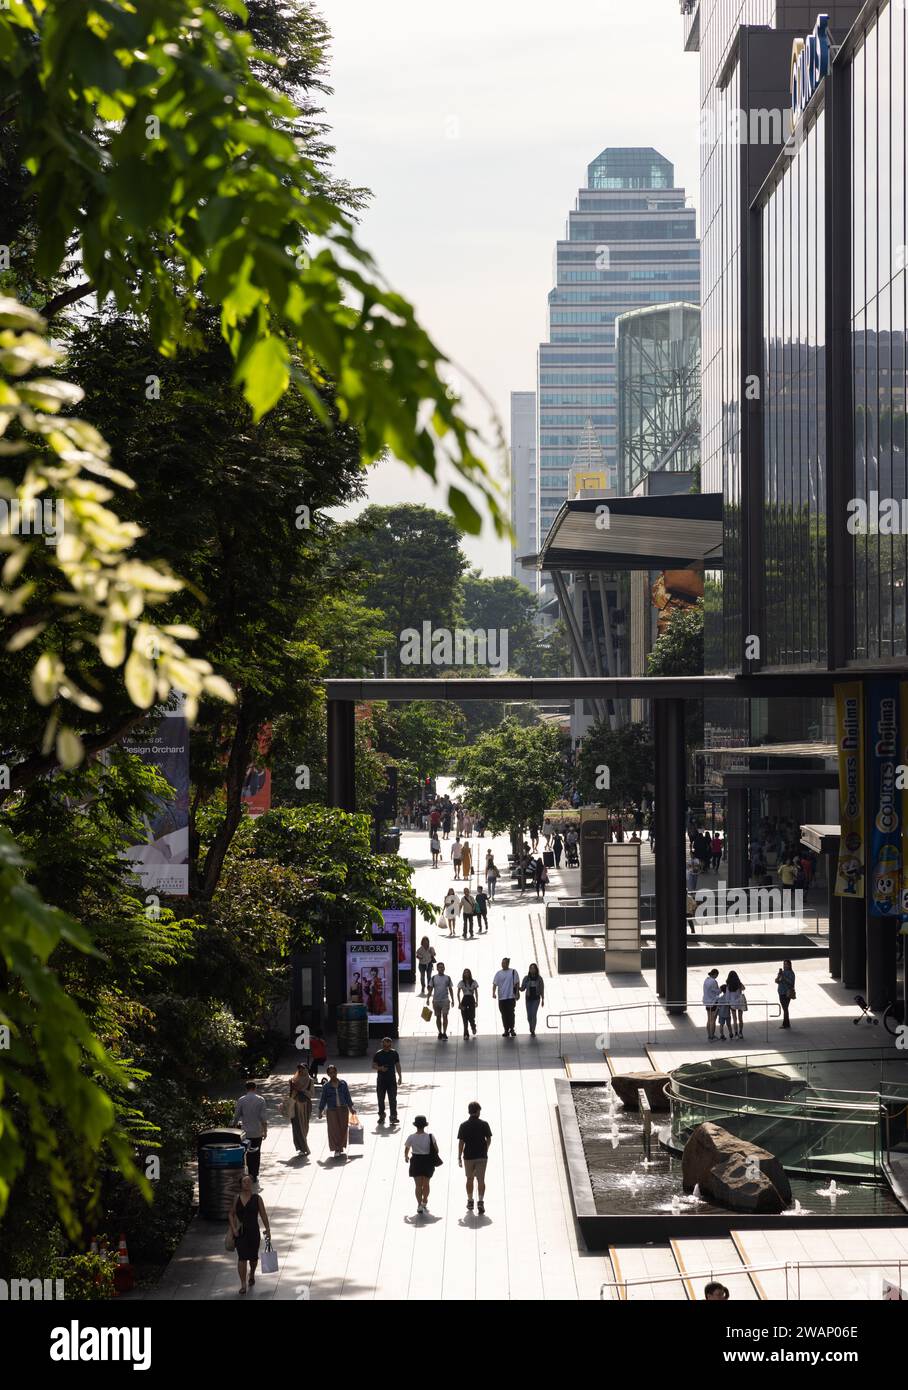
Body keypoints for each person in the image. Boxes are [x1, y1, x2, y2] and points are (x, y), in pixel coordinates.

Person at [229, 1174, 271, 1295]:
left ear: (252, 1184)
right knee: (242, 1258)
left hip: (253, 1232)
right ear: (241, 1185)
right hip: (241, 1232)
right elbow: (231, 1214)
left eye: (249, 1182)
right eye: (244, 1182)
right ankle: (243, 1284)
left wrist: (268, 1228)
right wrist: (233, 1229)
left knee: (253, 1258)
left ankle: (251, 1273)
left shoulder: (257, 1198)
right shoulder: (237, 1198)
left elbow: (263, 1214)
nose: (247, 1184)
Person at [457, 1101, 492, 1214]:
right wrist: (485, 1148)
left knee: (469, 1178)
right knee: (481, 1179)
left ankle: (470, 1200)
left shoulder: (463, 1125)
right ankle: (480, 1201)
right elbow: (489, 1139)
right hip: (481, 1156)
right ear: (477, 1111)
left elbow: (461, 1142)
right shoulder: (484, 1124)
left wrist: (459, 1156)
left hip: (468, 1156)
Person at [232, 1080, 267, 1182]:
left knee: (246, 1153)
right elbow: (263, 1117)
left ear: (246, 1089)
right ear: (255, 1088)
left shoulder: (241, 1100)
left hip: (245, 1132)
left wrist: (233, 1126)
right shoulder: (261, 1100)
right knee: (256, 1153)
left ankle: (246, 1173)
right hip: (257, 1131)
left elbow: (236, 1116)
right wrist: (265, 1130)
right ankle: (254, 1174)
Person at [405, 1115, 440, 1217]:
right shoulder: (430, 1136)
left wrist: (406, 1157)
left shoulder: (411, 1137)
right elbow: (437, 1149)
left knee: (418, 1185)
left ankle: (419, 1204)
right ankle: (425, 1200)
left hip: (416, 1161)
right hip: (427, 1161)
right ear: (425, 1125)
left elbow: (406, 1149)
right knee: (426, 1183)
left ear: (416, 1125)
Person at [318, 1064, 354, 1157]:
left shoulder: (343, 1083)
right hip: (332, 1110)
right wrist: (320, 1111)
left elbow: (347, 1096)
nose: (332, 1074)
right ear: (328, 1074)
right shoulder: (326, 1086)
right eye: (330, 1073)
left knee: (343, 1129)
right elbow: (323, 1099)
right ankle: (336, 1148)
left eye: (334, 1072)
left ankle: (341, 1146)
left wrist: (351, 1108)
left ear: (336, 1072)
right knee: (334, 1130)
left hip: (343, 1109)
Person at [372, 1037, 402, 1126]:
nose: (387, 1048)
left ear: (391, 1045)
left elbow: (397, 1064)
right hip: (381, 1080)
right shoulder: (378, 1054)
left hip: (391, 1080)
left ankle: (393, 1116)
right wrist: (380, 1068)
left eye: (388, 1046)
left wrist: (400, 1076)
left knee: (392, 1099)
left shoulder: (394, 1053)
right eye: (385, 1046)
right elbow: (373, 1065)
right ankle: (381, 1115)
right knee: (381, 1099)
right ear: (382, 1045)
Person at [288, 1062, 313, 1154]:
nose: (301, 1070)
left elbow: (312, 1094)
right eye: (299, 1069)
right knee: (297, 1126)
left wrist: (303, 1090)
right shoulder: (293, 1080)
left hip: (305, 1105)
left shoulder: (310, 1080)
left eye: (303, 1068)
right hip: (295, 1105)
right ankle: (303, 1147)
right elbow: (290, 1094)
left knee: (304, 1126)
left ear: (307, 1069)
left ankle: (303, 1145)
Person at [492, 957, 520, 1038]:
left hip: (511, 996)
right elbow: (494, 984)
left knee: (511, 1013)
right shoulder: (498, 973)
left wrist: (517, 993)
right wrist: (493, 993)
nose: (503, 964)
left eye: (504, 963)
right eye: (502, 962)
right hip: (501, 998)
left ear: (508, 963)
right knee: (504, 1014)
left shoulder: (513, 972)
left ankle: (512, 1029)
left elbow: (517, 983)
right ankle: (506, 1029)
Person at [429, 961, 455, 1040]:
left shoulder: (447, 978)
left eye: (442, 967)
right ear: (437, 969)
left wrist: (453, 999)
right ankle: (440, 1032)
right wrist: (427, 998)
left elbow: (450, 989)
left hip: (445, 1000)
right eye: (439, 967)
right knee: (438, 1017)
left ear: (444, 968)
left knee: (445, 1016)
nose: (441, 968)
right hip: (436, 1000)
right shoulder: (434, 978)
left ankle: (444, 1032)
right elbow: (430, 989)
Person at [521, 963, 545, 1037]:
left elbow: (542, 989)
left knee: (533, 1014)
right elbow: (522, 988)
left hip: (536, 999)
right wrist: (517, 987)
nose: (532, 969)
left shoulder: (539, 978)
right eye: (530, 968)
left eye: (533, 968)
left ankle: (533, 1030)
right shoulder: (526, 978)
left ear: (536, 969)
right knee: (529, 1015)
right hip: (528, 999)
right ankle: (531, 1026)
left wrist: (543, 999)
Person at [458, 968, 479, 1039]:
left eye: (467, 972)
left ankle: (473, 1026)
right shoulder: (461, 982)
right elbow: (458, 993)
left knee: (471, 1016)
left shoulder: (473, 982)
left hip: (471, 999)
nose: (466, 974)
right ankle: (466, 1034)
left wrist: (477, 1001)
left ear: (470, 974)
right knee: (464, 1017)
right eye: (465, 972)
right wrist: (459, 1003)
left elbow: (476, 992)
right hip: (464, 999)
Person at [725, 969, 746, 1038]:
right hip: (740, 1002)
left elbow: (727, 997)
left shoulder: (728, 986)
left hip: (733, 1003)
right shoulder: (739, 984)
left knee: (734, 1019)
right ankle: (741, 1032)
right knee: (740, 1018)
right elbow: (744, 988)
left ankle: (736, 1033)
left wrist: (728, 1003)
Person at [776, 959, 796, 1029]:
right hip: (781, 992)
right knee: (785, 1008)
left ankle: (785, 1024)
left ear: (790, 965)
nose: (785, 966)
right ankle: (787, 1023)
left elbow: (791, 983)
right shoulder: (782, 972)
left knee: (785, 1008)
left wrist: (784, 977)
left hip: (787, 993)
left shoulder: (791, 973)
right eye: (784, 964)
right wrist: (779, 976)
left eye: (786, 964)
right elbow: (777, 981)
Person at [702, 968, 720, 1040]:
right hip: (713, 1002)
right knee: (713, 1020)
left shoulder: (706, 980)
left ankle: (709, 1034)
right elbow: (717, 991)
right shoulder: (713, 982)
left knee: (709, 1019)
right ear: (715, 974)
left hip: (706, 1002)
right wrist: (721, 989)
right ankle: (712, 1035)